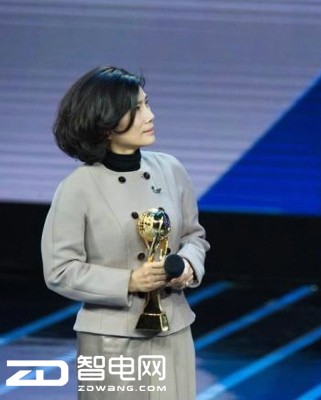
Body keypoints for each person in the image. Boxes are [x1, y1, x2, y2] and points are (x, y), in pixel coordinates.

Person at [41, 66, 210, 400]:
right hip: (111, 342)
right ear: (105, 123)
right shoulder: (77, 187)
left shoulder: (171, 170)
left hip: (174, 331)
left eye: (147, 103)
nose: (150, 115)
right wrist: (130, 282)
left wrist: (188, 266)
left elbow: (194, 236)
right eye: (136, 109)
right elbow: (60, 270)